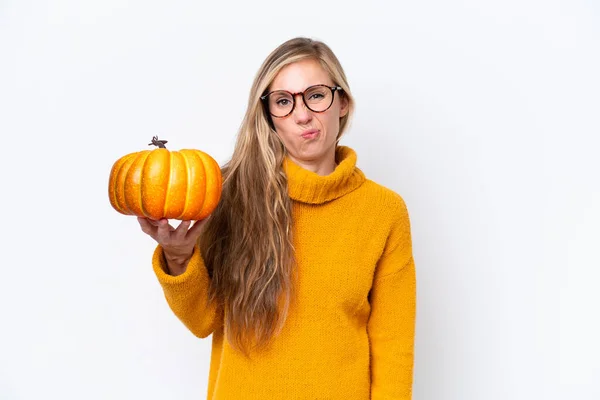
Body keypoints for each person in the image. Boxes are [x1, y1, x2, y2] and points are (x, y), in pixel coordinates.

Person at [137, 36, 416, 400]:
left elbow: (393, 349)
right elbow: (203, 320)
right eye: (284, 102)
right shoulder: (228, 193)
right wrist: (178, 257)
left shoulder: (383, 211)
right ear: (268, 115)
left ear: (342, 102)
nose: (302, 115)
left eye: (316, 95)